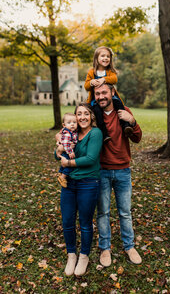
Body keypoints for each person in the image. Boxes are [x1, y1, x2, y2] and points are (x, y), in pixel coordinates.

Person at [93, 83, 142, 267]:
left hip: (123, 170)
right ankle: (105, 248)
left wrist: (133, 121)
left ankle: (129, 246)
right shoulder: (93, 114)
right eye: (97, 93)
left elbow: (137, 138)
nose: (101, 96)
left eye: (104, 92)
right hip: (102, 171)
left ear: (112, 92)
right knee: (103, 212)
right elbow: (75, 128)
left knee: (125, 212)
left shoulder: (124, 111)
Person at [55, 103, 103, 276]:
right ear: (75, 117)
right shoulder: (71, 133)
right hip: (69, 185)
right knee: (67, 221)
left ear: (91, 116)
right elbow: (56, 155)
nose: (82, 117)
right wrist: (59, 147)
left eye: (86, 114)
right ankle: (71, 255)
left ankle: (84, 256)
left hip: (88, 183)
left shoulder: (95, 133)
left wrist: (68, 163)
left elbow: (90, 158)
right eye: (79, 114)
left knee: (85, 222)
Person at [84, 46, 133, 142]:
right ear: (96, 58)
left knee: (119, 105)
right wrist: (91, 82)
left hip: (111, 98)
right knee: (97, 112)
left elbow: (114, 79)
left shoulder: (110, 72)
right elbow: (86, 86)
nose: (106, 58)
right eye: (103, 56)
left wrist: (104, 79)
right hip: (96, 99)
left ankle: (125, 126)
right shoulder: (92, 72)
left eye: (108, 56)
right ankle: (104, 134)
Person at [56, 113, 78, 188]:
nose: (72, 124)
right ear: (64, 125)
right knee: (69, 166)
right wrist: (70, 152)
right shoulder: (67, 133)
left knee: (65, 165)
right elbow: (65, 143)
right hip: (68, 152)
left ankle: (60, 173)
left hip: (66, 152)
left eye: (74, 122)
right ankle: (63, 177)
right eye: (69, 123)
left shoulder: (71, 131)